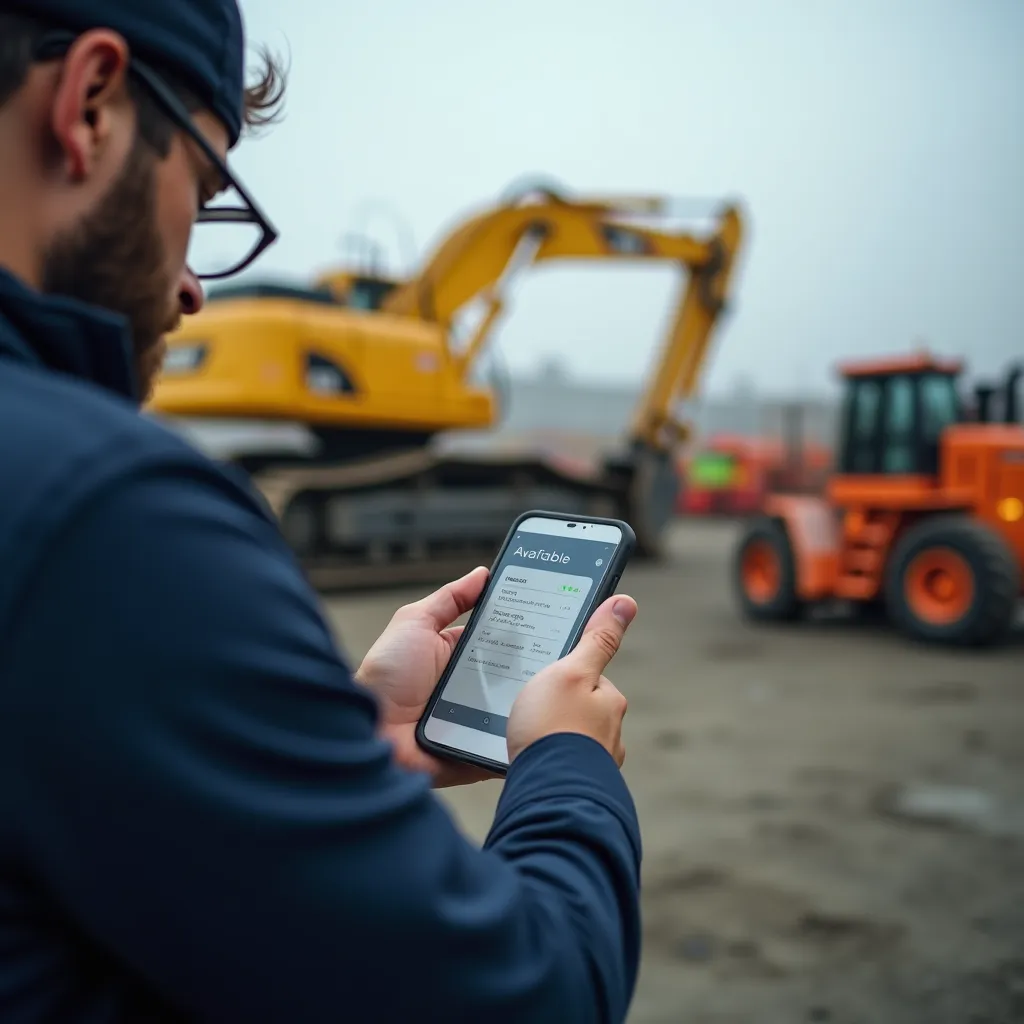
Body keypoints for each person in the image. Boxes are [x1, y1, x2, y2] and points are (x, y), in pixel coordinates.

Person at [0, 2, 644, 1023]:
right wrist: (564, 764)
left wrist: (311, 748)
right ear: (89, 104)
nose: (193, 287)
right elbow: (529, 998)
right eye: (205, 194)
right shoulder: (109, 519)